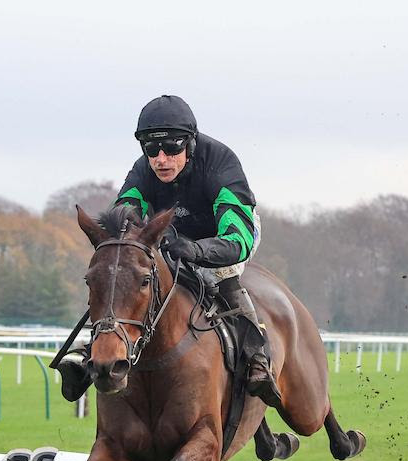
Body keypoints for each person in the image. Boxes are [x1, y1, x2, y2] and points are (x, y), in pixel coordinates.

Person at [59, 94, 281, 406]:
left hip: (224, 236)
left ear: (189, 144)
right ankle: (94, 351)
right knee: (127, 272)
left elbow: (238, 239)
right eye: (151, 149)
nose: (161, 158)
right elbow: (121, 221)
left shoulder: (221, 164)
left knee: (221, 276)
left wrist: (197, 250)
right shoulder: (143, 170)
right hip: (170, 235)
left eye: (171, 147)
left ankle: (257, 359)